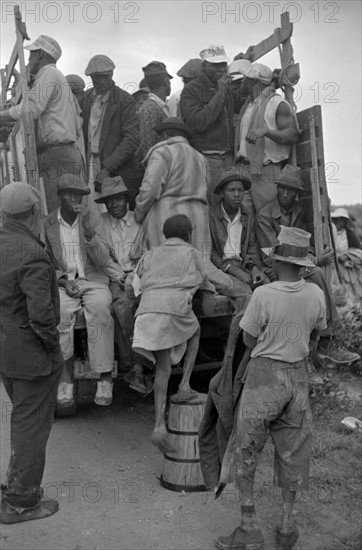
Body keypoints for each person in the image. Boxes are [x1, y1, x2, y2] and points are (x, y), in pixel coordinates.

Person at [215, 226, 327, 550]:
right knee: (293, 454)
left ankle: (249, 528)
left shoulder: (263, 295)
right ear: (303, 265)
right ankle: (287, 527)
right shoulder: (316, 295)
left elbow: (249, 338)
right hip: (297, 380)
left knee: (246, 450)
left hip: (264, 378)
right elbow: (315, 337)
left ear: (276, 262)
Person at [0, 182, 63, 523]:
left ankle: (16, 487)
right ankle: (20, 502)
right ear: (34, 214)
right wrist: (53, 346)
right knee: (30, 426)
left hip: (6, 353)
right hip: (31, 356)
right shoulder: (32, 252)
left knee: (24, 420)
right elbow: (41, 314)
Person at [256, 165, 360, 367]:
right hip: (275, 267)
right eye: (282, 189)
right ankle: (327, 340)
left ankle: (321, 343)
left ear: (297, 194)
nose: (285, 194)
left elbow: (305, 244)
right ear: (277, 188)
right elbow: (271, 254)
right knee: (317, 272)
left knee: (315, 282)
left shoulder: (297, 211)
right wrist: (313, 260)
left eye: (290, 190)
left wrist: (312, 256)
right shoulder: (265, 214)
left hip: (295, 264)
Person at [130, 215, 214, 453]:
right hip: (174, 312)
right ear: (189, 234)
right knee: (195, 330)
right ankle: (185, 385)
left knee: (163, 370)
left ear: (165, 234)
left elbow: (132, 287)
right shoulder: (191, 253)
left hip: (147, 313)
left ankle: (159, 425)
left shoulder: (150, 254)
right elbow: (205, 280)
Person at [44, 174, 116, 408]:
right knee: (62, 313)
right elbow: (43, 262)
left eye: (79, 194)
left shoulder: (92, 219)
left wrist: (88, 230)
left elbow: (104, 258)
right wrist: (63, 282)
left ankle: (104, 377)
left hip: (93, 279)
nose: (74, 198)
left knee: (101, 309)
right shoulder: (47, 224)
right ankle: (65, 380)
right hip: (63, 282)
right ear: (59, 196)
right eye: (68, 193)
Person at [0, 35, 84, 214]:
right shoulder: (55, 76)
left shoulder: (48, 73)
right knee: (61, 213)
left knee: (59, 215)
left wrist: (2, 116)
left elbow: (30, 109)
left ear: (39, 54)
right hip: (61, 153)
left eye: (31, 55)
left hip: (58, 154)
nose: (29, 59)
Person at [93, 176, 151, 395]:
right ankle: (134, 364)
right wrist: (123, 277)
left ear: (127, 200)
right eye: (109, 200)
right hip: (117, 278)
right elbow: (103, 259)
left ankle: (147, 362)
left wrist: (136, 274)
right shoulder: (101, 223)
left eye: (118, 199)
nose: (114, 204)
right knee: (122, 306)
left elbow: (148, 251)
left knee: (149, 306)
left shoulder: (141, 220)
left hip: (142, 276)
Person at [134, 117, 210, 254]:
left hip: (167, 220)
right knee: (197, 268)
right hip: (199, 220)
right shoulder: (201, 158)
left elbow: (150, 189)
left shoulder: (162, 153)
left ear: (164, 135)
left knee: (167, 268)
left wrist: (139, 213)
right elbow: (207, 191)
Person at [234, 63, 299, 211]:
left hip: (267, 173)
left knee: (267, 219)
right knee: (245, 222)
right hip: (244, 170)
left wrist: (266, 132)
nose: (242, 83)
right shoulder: (249, 105)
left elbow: (292, 134)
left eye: (245, 79)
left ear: (254, 82)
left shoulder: (277, 103)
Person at [82, 54, 140, 207]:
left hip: (115, 168)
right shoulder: (87, 98)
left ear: (111, 75)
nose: (100, 81)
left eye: (104, 77)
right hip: (90, 164)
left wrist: (108, 168)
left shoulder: (124, 100)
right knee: (93, 211)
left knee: (114, 212)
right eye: (95, 77)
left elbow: (131, 139)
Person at [180, 45, 236, 203]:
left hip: (228, 159)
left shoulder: (225, 86)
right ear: (204, 66)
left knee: (228, 207)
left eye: (223, 64)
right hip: (206, 159)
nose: (221, 69)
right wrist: (220, 94)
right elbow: (199, 122)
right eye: (216, 65)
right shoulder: (191, 90)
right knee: (210, 208)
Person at [209, 169, 268, 312]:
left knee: (269, 290)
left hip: (244, 266)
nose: (237, 194)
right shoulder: (211, 215)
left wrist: (254, 269)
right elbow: (209, 252)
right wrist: (233, 270)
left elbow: (252, 247)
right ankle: (240, 335)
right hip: (220, 270)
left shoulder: (247, 214)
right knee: (247, 296)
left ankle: (268, 334)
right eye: (231, 190)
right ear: (222, 193)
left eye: (240, 190)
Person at [137, 61, 173, 160]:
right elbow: (147, 150)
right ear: (165, 81)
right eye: (169, 80)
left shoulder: (160, 106)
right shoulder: (150, 109)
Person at [331, 207, 362, 305]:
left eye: (341, 221)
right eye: (336, 220)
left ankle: (352, 309)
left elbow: (358, 251)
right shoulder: (329, 232)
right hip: (332, 266)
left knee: (349, 289)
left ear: (344, 222)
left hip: (346, 268)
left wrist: (346, 256)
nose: (338, 223)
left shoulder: (349, 234)